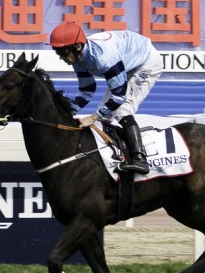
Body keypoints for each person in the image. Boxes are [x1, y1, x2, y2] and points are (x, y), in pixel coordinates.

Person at [48, 22, 163, 175]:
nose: (61, 58)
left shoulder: (103, 58)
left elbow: (119, 97)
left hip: (146, 62)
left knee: (122, 110)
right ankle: (115, 154)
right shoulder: (78, 58)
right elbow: (87, 90)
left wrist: (92, 117)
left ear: (77, 47)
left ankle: (139, 159)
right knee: (106, 115)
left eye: (63, 53)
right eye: (58, 53)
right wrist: (68, 112)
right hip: (126, 62)